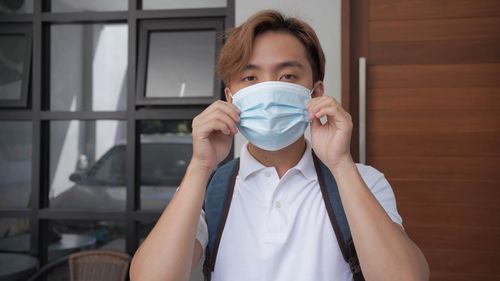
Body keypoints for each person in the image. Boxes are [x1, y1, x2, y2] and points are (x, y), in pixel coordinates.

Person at [130, 10, 430, 281]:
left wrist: (341, 164)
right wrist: (200, 166)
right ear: (230, 98)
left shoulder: (364, 181)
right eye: (250, 77)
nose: (269, 89)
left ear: (315, 92)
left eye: (287, 75)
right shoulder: (208, 189)